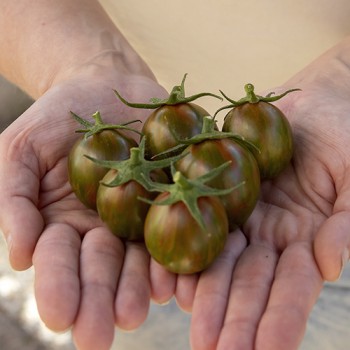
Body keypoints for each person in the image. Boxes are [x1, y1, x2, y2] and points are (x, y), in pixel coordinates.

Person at [0, 1, 349, 349]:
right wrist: (78, 64)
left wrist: (343, 75)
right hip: (133, 263)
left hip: (325, 199)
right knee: (124, 314)